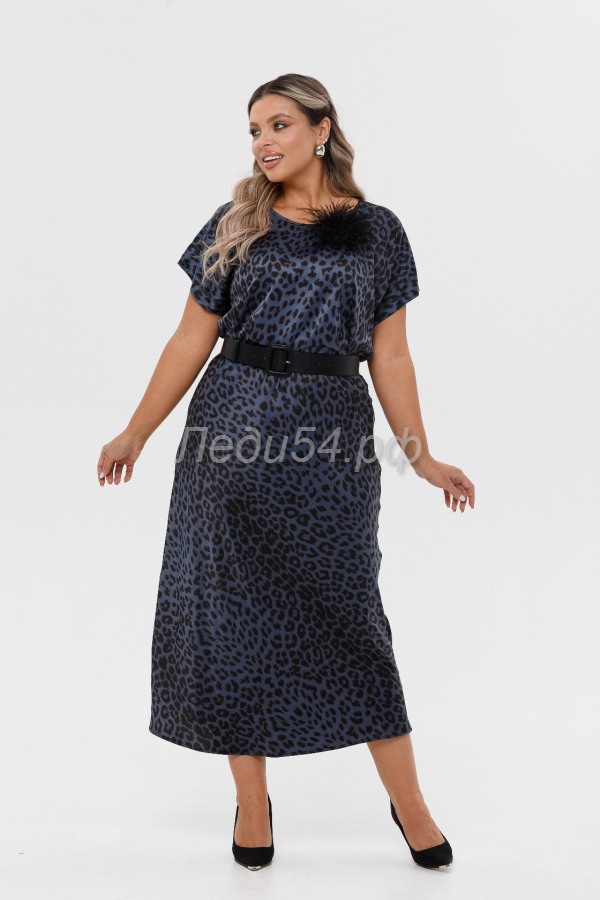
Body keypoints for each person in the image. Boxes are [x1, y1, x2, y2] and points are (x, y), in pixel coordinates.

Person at [97, 73, 474, 872]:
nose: (263, 142)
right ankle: (252, 803)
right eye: (253, 130)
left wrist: (423, 456)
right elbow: (188, 340)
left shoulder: (377, 231)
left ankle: (410, 804)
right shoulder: (237, 222)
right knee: (233, 622)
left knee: (354, 620)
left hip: (329, 443)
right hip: (229, 434)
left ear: (321, 128)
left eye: (278, 124)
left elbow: (393, 356)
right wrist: (136, 430)